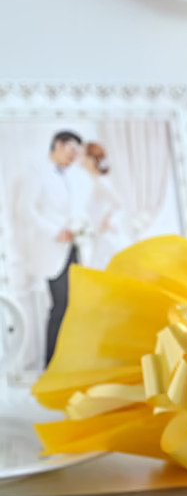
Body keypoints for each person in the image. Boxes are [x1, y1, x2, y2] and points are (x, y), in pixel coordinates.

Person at [25, 130, 85, 365]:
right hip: (52, 249)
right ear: (58, 145)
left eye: (77, 153)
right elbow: (28, 210)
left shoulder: (67, 177)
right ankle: (51, 363)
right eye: (71, 150)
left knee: (74, 305)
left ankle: (68, 359)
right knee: (60, 305)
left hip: (72, 248)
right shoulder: (38, 173)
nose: (73, 156)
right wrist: (55, 231)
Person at [80, 142, 129, 269]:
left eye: (83, 156)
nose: (81, 159)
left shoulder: (101, 182)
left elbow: (120, 204)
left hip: (107, 237)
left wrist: (108, 219)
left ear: (91, 159)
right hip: (100, 236)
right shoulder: (95, 181)